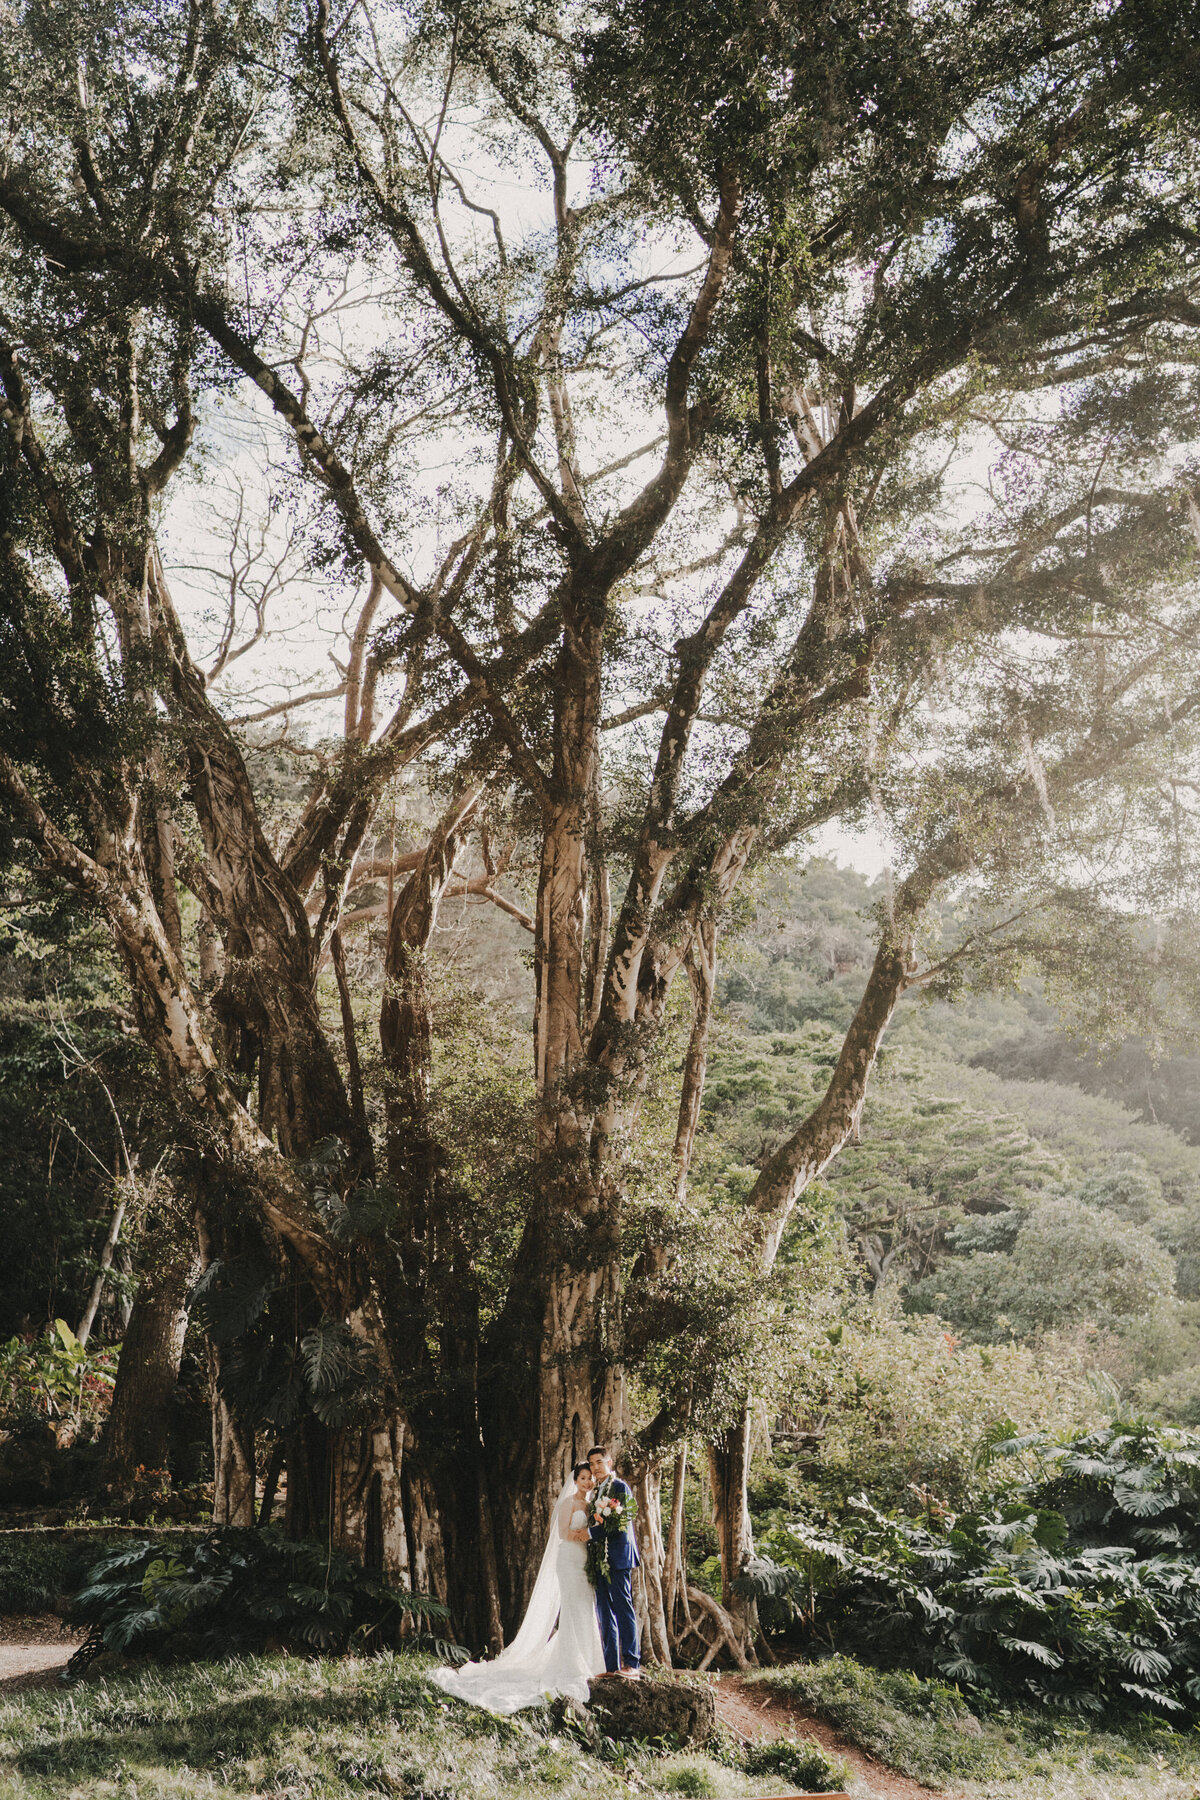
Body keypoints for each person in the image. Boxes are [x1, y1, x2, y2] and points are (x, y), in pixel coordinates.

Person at [429, 1462, 605, 1714]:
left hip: (584, 1561)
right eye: (583, 1478)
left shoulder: (592, 1506)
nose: (588, 1482)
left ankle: (589, 1659)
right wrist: (591, 1533)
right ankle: (570, 1665)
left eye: (590, 1479)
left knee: (585, 1608)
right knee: (571, 1610)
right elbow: (565, 1533)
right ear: (575, 1481)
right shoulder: (568, 1504)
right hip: (568, 1560)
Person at [586, 1444, 641, 1679]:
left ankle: (632, 1664)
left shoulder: (620, 1488)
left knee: (622, 1608)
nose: (595, 1468)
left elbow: (618, 1525)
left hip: (618, 1556)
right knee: (604, 1612)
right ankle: (611, 1666)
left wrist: (590, 1534)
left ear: (609, 1463)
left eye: (599, 1462)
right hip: (599, 1559)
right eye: (591, 1464)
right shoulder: (595, 1493)